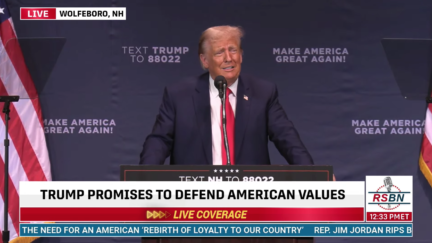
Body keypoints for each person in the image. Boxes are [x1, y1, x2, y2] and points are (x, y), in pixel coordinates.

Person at [140, 25, 314, 166]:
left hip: (249, 197)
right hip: (194, 196)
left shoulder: (263, 92)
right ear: (205, 60)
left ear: (241, 55)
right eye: (219, 52)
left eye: (233, 50)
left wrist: (313, 175)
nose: (228, 58)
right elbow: (159, 141)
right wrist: (144, 176)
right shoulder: (179, 95)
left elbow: (287, 138)